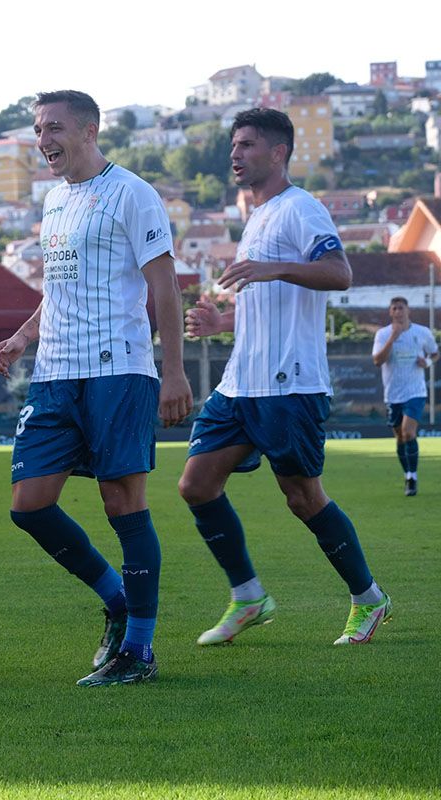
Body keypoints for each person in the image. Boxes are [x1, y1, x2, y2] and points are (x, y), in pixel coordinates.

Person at [0, 90, 192, 687]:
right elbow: (58, 289)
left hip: (118, 370)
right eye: (37, 129)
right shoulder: (54, 202)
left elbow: (165, 287)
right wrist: (24, 337)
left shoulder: (133, 194)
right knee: (29, 505)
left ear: (89, 129)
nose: (43, 140)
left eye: (53, 128)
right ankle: (118, 598)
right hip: (54, 373)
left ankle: (140, 649)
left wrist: (174, 371)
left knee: (122, 505)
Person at [180, 107, 390, 647]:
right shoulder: (255, 216)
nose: (235, 153)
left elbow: (339, 273)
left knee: (303, 498)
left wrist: (273, 267)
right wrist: (221, 322)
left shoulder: (302, 209)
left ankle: (368, 598)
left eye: (247, 144)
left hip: (290, 383)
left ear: (278, 153)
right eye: (233, 145)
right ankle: (249, 596)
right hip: (239, 384)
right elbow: (268, 305)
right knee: (196, 485)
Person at [372, 297, 438, 496]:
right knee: (400, 437)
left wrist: (426, 363)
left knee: (408, 432)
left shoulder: (422, 332)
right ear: (390, 312)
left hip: (415, 392)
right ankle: (407, 473)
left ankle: (412, 476)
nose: (398, 311)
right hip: (393, 394)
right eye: (395, 308)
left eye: (401, 308)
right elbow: (377, 361)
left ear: (409, 310)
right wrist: (393, 337)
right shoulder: (383, 334)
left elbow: (435, 353)